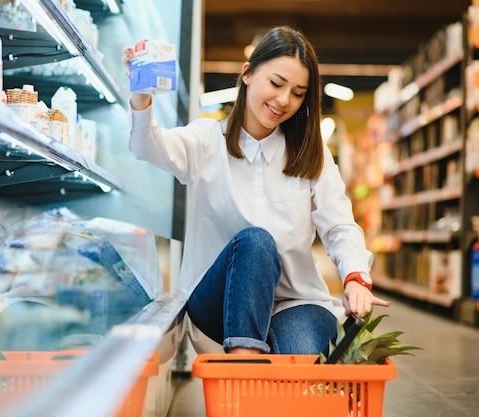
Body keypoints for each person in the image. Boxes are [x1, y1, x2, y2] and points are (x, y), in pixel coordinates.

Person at [122, 25, 390, 355]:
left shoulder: (310, 149)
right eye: (276, 83)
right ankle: (244, 363)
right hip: (219, 301)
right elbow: (147, 146)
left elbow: (338, 224)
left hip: (295, 301)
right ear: (247, 73)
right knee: (256, 241)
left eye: (297, 92)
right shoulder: (208, 141)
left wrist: (355, 276)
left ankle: (252, 371)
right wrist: (141, 94)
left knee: (300, 368)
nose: (283, 100)